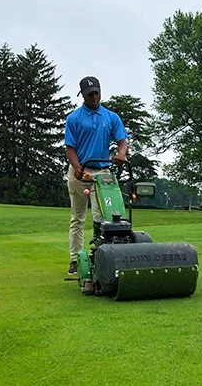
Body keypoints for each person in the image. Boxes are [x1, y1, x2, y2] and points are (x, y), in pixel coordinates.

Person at [64, 75, 128, 275]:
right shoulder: (74, 118)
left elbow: (122, 140)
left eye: (96, 93)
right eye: (90, 94)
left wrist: (121, 154)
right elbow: (70, 147)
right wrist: (76, 167)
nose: (94, 97)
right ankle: (75, 259)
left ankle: (102, 256)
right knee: (78, 217)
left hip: (103, 171)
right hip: (81, 171)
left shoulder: (111, 117)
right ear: (82, 95)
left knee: (104, 217)